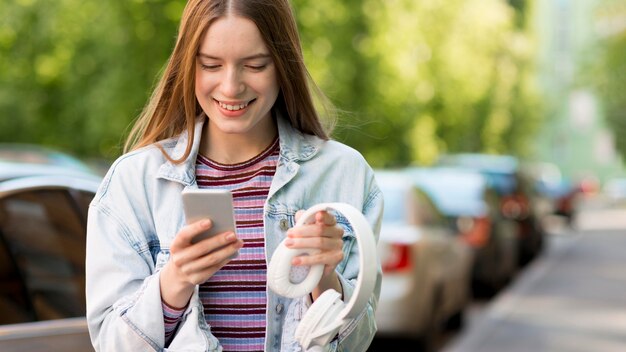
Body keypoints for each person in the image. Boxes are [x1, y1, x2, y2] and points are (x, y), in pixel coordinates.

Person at [85, 0, 383, 351]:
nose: (230, 87)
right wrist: (174, 282)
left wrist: (324, 277)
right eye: (211, 65)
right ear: (187, 66)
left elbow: (359, 341)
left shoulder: (345, 174)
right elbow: (110, 344)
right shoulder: (134, 182)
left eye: (255, 65)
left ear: (283, 65)